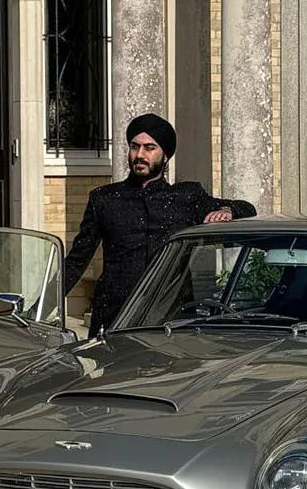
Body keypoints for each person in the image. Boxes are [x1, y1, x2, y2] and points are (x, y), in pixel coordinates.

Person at [63, 113, 256, 336]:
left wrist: (227, 211)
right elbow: (77, 260)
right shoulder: (104, 198)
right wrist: (39, 307)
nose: (140, 155)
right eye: (134, 147)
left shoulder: (186, 196)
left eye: (149, 148)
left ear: (165, 155)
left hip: (171, 319)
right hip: (116, 316)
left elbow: (247, 208)